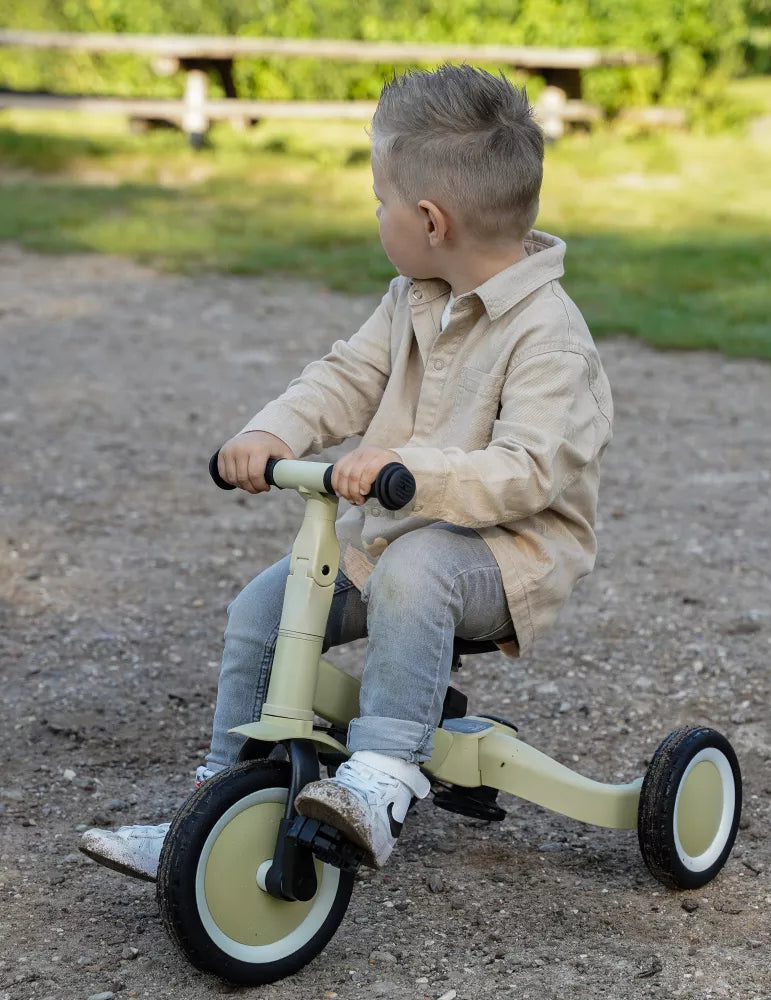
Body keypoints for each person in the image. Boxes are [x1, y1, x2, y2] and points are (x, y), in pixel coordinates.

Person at [80, 64, 613, 877]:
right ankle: (219, 806)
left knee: (418, 572)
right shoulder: (412, 295)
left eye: (378, 199)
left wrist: (408, 465)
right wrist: (270, 431)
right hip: (401, 535)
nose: (375, 214)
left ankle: (386, 774)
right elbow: (344, 377)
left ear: (429, 220)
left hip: (507, 555)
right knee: (269, 605)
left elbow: (527, 471)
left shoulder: (550, 338)